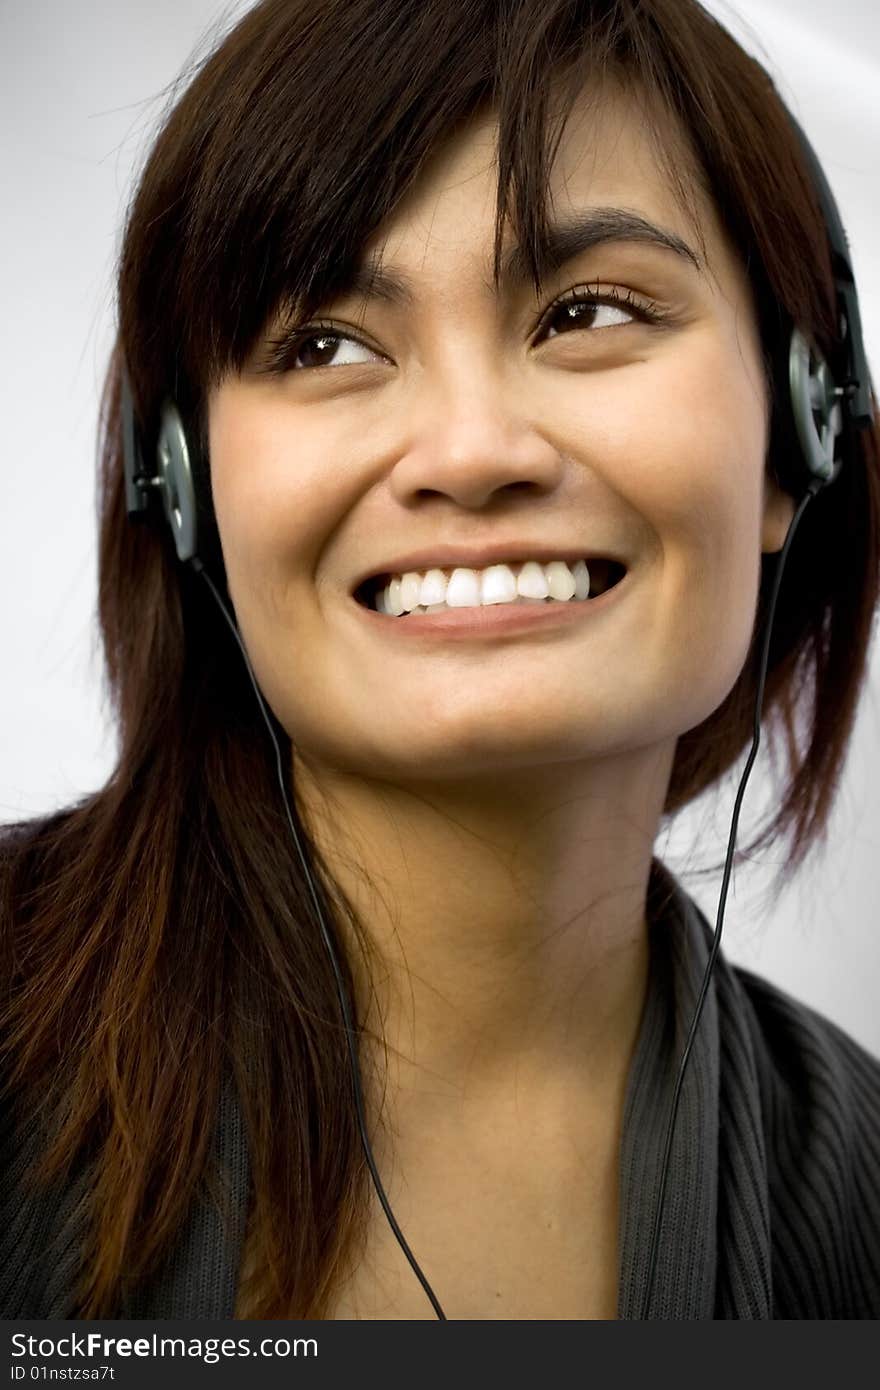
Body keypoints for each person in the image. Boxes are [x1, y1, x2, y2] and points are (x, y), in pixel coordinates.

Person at [1, 0, 879, 1322]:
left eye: (590, 312)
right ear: (181, 491)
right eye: (325, 343)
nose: (471, 452)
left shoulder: (854, 1196)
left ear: (797, 428)